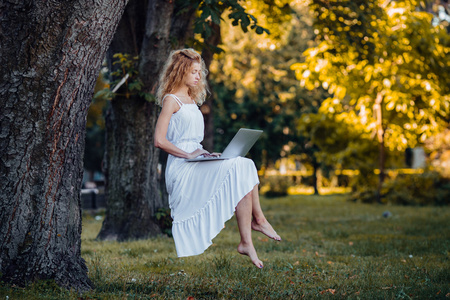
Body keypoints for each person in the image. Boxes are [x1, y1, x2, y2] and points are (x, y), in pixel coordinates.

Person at [154, 48, 281, 268]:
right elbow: (159, 141)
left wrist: (206, 154)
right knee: (241, 166)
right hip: (181, 167)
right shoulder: (171, 100)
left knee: (244, 165)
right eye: (193, 71)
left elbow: (193, 142)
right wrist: (189, 154)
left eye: (198, 71)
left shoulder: (192, 100)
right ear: (180, 71)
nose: (198, 76)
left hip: (196, 159)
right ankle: (258, 221)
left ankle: (247, 240)